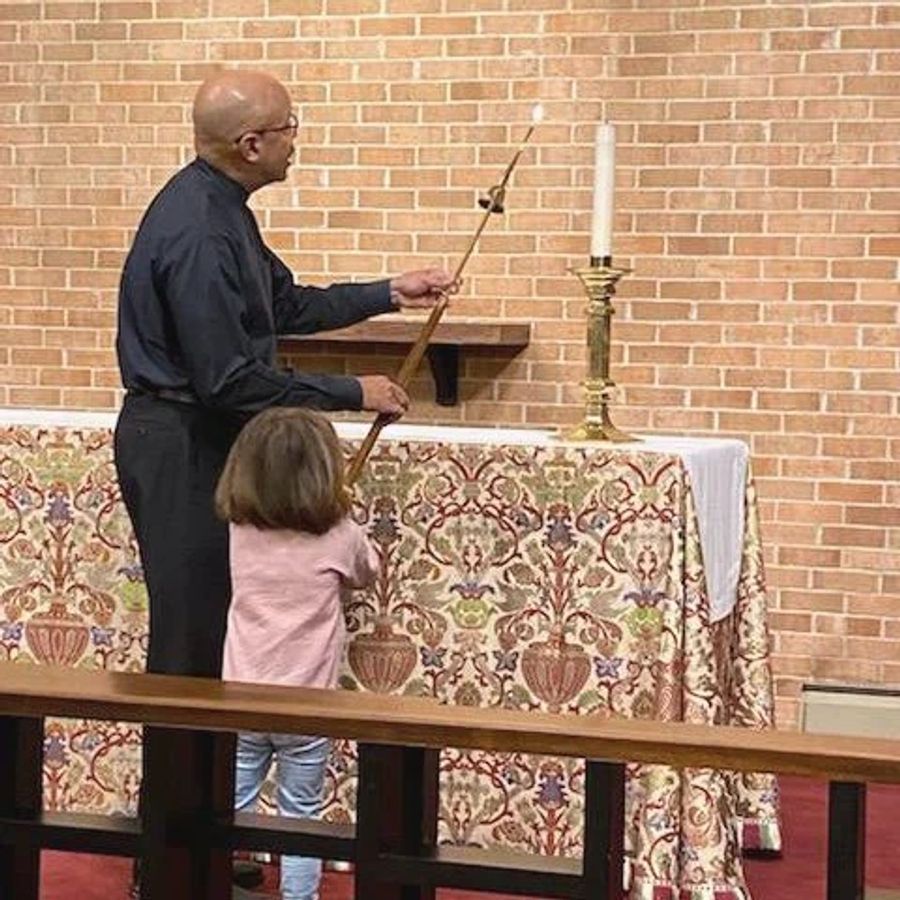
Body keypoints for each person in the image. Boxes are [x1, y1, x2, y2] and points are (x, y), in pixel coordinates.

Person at [114, 68, 455, 680]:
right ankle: (178, 778)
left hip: (204, 437)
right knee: (190, 641)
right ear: (251, 144)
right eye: (288, 127)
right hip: (178, 442)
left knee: (219, 630)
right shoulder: (199, 231)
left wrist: (389, 292)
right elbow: (229, 380)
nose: (295, 140)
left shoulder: (224, 209)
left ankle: (216, 778)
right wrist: (351, 392)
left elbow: (287, 305)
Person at [216, 406, 379, 900]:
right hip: (306, 705)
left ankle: (213, 884)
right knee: (299, 817)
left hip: (242, 696)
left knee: (230, 809)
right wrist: (346, 515)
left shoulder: (240, 531)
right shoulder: (340, 535)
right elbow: (368, 570)